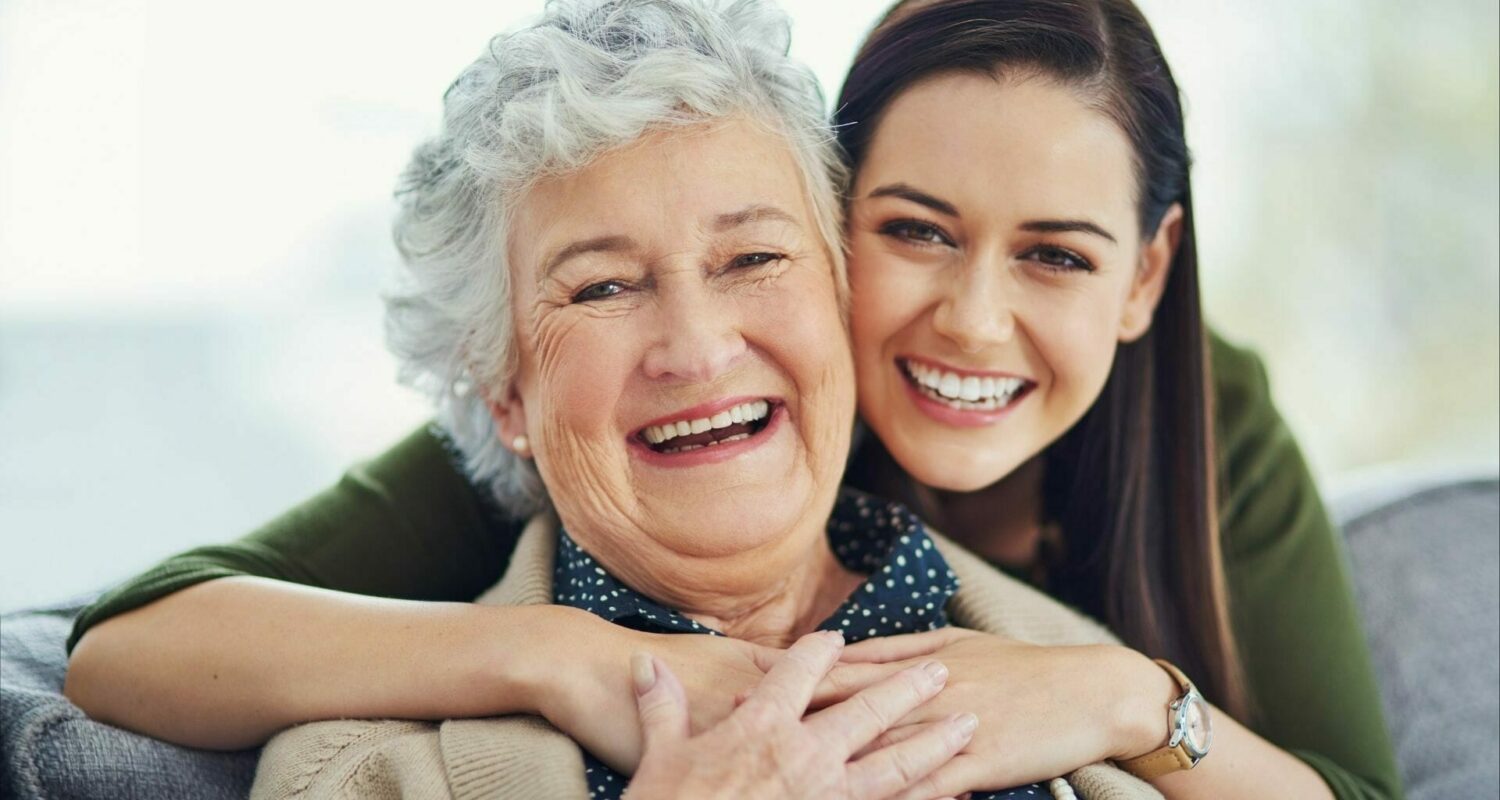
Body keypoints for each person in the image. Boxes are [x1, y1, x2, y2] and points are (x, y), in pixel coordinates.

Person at [65, 0, 1402, 798]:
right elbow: (129, 645)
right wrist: (572, 661)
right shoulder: (376, 761)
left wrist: (1122, 700)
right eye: (601, 290)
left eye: (752, 258)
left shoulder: (1187, 454)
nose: (699, 348)